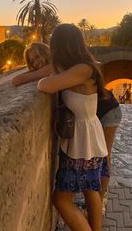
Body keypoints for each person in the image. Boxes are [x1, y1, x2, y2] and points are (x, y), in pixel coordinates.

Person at [12, 41, 122, 215]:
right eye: (32, 61)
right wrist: (34, 72)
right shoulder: (67, 67)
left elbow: (18, 80)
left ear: (49, 52)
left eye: (38, 56)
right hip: (93, 117)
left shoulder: (59, 67)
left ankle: (101, 200)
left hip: (107, 112)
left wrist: (34, 73)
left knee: (104, 160)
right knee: (96, 166)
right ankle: (96, 205)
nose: (36, 62)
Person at [38, 23, 108, 231]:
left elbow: (44, 86)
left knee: (61, 201)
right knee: (89, 189)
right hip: (89, 138)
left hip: (81, 142)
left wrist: (51, 73)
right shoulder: (84, 66)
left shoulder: (83, 69)